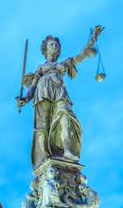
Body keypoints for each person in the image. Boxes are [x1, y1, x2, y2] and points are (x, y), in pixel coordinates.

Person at [17, 26, 104, 168]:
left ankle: (68, 150)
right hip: (43, 93)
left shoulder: (62, 64)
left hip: (59, 93)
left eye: (57, 45)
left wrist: (92, 40)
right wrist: (25, 99)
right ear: (45, 50)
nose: (55, 46)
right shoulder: (40, 68)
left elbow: (80, 56)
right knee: (42, 126)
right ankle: (43, 156)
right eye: (52, 44)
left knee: (66, 115)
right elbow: (32, 87)